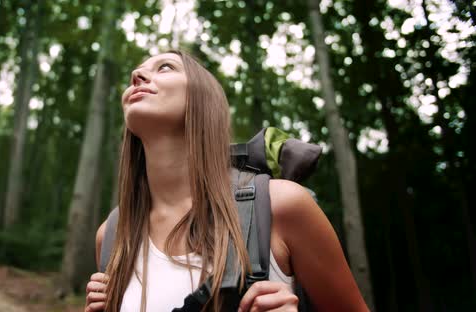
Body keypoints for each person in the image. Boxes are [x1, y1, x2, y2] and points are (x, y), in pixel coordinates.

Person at [84, 50, 369, 312]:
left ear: (203, 100)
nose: (137, 76)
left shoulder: (281, 206)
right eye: (136, 72)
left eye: (166, 67)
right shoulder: (112, 235)